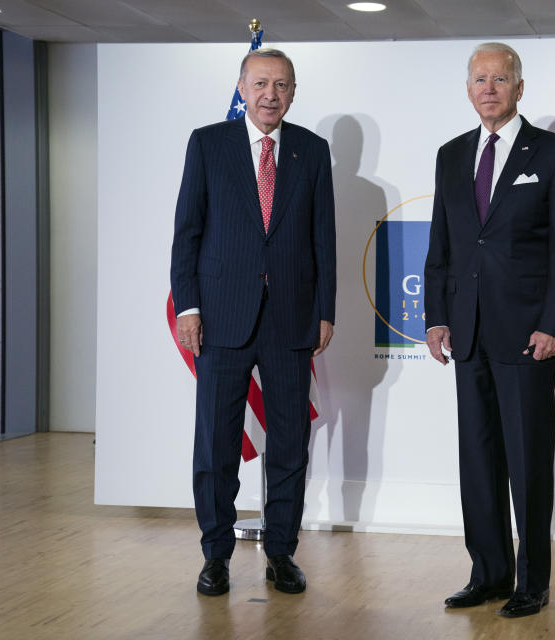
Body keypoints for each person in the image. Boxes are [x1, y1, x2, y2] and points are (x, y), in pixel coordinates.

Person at [423, 42, 555, 618]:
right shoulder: (450, 154)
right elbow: (441, 242)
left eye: (500, 78)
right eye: (479, 79)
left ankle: (531, 582)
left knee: (527, 463)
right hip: (466, 333)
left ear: (520, 87)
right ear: (468, 89)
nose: (488, 88)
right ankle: (487, 574)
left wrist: (554, 326)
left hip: (526, 338)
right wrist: (436, 315)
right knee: (480, 461)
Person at [170, 48, 336, 597]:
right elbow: (187, 232)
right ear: (241, 87)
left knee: (290, 444)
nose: (271, 94)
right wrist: (189, 308)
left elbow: (323, 240)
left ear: (294, 92)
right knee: (216, 443)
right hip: (221, 319)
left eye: (282, 85)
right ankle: (215, 554)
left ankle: (281, 553)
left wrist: (325, 312)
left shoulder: (312, 151)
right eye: (261, 83)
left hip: (290, 319)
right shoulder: (208, 143)